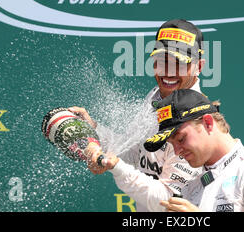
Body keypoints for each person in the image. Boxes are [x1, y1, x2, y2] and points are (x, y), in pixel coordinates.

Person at [70, 19, 206, 212]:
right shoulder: (156, 96)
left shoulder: (195, 118)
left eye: (179, 63)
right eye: (162, 61)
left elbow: (168, 202)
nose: (168, 71)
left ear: (199, 66)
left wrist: (116, 167)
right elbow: (135, 154)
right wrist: (94, 128)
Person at [142, 88, 244, 212]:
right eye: (171, 144)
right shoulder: (191, 189)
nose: (177, 151)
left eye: (181, 139)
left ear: (207, 123)